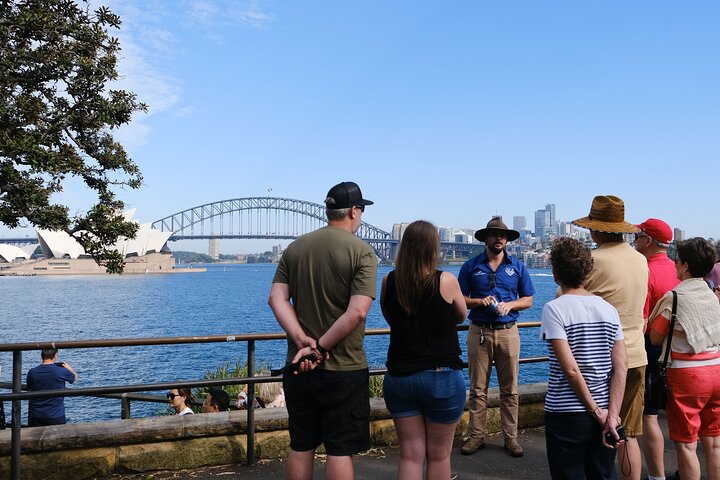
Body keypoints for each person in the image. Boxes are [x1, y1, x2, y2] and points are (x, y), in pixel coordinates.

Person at [268, 181, 377, 480]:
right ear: (354, 211)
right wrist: (321, 348)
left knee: (301, 445)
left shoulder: (295, 248)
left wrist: (302, 340)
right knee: (339, 449)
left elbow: (276, 299)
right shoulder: (362, 252)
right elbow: (357, 312)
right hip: (343, 368)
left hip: (298, 365)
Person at [380, 220, 467, 480]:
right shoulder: (447, 280)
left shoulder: (389, 281)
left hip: (399, 377)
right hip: (441, 376)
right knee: (439, 456)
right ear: (433, 247)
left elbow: (390, 317)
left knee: (410, 454)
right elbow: (461, 315)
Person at [572, 195, 649, 480]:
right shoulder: (641, 260)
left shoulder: (591, 260)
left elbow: (566, 298)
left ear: (595, 229)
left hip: (601, 360)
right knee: (627, 433)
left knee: (594, 435)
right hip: (636, 355)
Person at [542, 237, 627, 479]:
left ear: (556, 273)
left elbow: (570, 370)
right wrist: (611, 414)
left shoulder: (554, 309)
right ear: (587, 271)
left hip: (566, 413)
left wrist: (594, 410)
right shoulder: (609, 309)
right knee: (602, 473)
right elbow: (621, 366)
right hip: (605, 410)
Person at [459, 216, 535, 457]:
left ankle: (511, 438)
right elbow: (459, 298)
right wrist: (479, 301)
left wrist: (510, 305)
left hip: (508, 331)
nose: (499, 238)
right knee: (477, 390)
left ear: (507, 239)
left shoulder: (518, 267)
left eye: (503, 235)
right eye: (494, 234)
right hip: (478, 330)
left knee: (510, 390)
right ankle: (476, 437)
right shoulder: (471, 266)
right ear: (486, 238)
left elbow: (528, 299)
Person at [650, 237, 720, 480]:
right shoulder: (711, 294)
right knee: (713, 443)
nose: (674, 263)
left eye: (676, 260)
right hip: (716, 368)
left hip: (687, 375)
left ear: (686, 266)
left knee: (687, 444)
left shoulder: (675, 298)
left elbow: (656, 337)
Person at [634, 218, 680, 480]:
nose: (635, 240)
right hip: (680, 351)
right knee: (679, 417)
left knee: (649, 416)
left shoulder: (645, 271)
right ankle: (686, 470)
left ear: (648, 241)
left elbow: (642, 320)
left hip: (652, 349)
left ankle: (656, 476)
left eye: (639, 235)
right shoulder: (678, 270)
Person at [26, 348, 78, 427]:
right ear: (55, 356)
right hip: (55, 415)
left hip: (35, 415)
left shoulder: (32, 372)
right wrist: (70, 368)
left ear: (41, 357)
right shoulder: (61, 371)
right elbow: (74, 378)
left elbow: (29, 387)